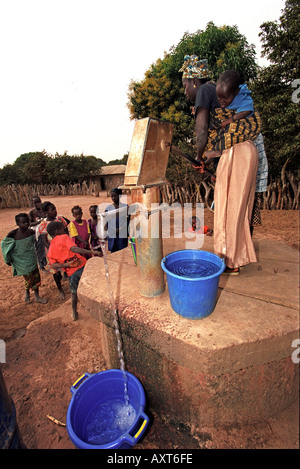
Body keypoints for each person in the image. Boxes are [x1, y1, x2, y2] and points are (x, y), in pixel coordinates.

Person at [180, 55, 261, 275]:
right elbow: (219, 139)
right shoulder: (217, 93)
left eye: (185, 85)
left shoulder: (205, 90)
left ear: (194, 81)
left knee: (227, 207)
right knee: (236, 208)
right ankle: (234, 259)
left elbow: (202, 132)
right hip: (244, 151)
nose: (185, 91)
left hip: (237, 152)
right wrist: (206, 160)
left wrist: (198, 155)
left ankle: (226, 259)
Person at [46, 221, 102, 320]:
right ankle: (99, 308)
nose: (64, 230)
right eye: (62, 228)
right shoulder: (64, 237)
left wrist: (65, 264)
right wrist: (92, 252)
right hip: (83, 267)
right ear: (57, 231)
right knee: (94, 285)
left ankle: (74, 312)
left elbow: (53, 265)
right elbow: (74, 249)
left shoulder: (51, 248)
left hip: (71, 273)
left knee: (74, 292)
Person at [1, 213, 47, 304]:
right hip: (21, 261)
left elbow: (37, 239)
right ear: (17, 223)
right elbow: (4, 245)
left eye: (28, 222)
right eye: (23, 222)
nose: (26, 224)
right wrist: (8, 259)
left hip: (31, 259)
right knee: (28, 278)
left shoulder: (30, 232)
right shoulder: (13, 234)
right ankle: (27, 293)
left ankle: (37, 296)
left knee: (36, 277)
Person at [38, 201, 70, 298]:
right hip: (53, 252)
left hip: (64, 249)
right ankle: (60, 289)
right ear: (45, 213)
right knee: (56, 273)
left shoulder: (60, 219)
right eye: (52, 210)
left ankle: (69, 280)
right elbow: (45, 241)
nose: (55, 211)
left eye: (55, 208)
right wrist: (54, 250)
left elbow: (66, 231)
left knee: (68, 266)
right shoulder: (43, 225)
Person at [105, 188, 129, 253]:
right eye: (112, 196)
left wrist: (122, 229)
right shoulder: (108, 208)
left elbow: (128, 220)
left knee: (122, 251)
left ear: (120, 196)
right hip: (112, 233)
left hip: (122, 233)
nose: (113, 198)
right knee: (113, 251)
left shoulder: (125, 207)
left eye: (115, 196)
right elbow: (106, 221)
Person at [28, 196, 47, 271]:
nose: (37, 204)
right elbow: (29, 223)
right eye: (35, 203)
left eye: (38, 202)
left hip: (45, 232)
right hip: (37, 234)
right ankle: (41, 266)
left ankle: (46, 262)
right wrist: (39, 222)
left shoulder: (44, 210)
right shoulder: (32, 212)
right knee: (39, 249)